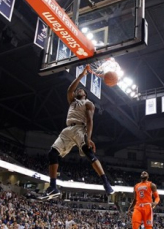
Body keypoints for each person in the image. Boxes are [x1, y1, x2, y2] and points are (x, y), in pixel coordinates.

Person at [42, 65, 114, 200]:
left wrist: (88, 138)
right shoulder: (72, 101)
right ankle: (53, 187)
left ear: (85, 94)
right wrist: (82, 75)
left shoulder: (88, 103)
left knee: (89, 152)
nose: (79, 90)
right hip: (67, 130)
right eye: (78, 90)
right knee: (52, 153)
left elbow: (90, 121)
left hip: (80, 129)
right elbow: (70, 89)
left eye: (81, 89)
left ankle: (106, 183)